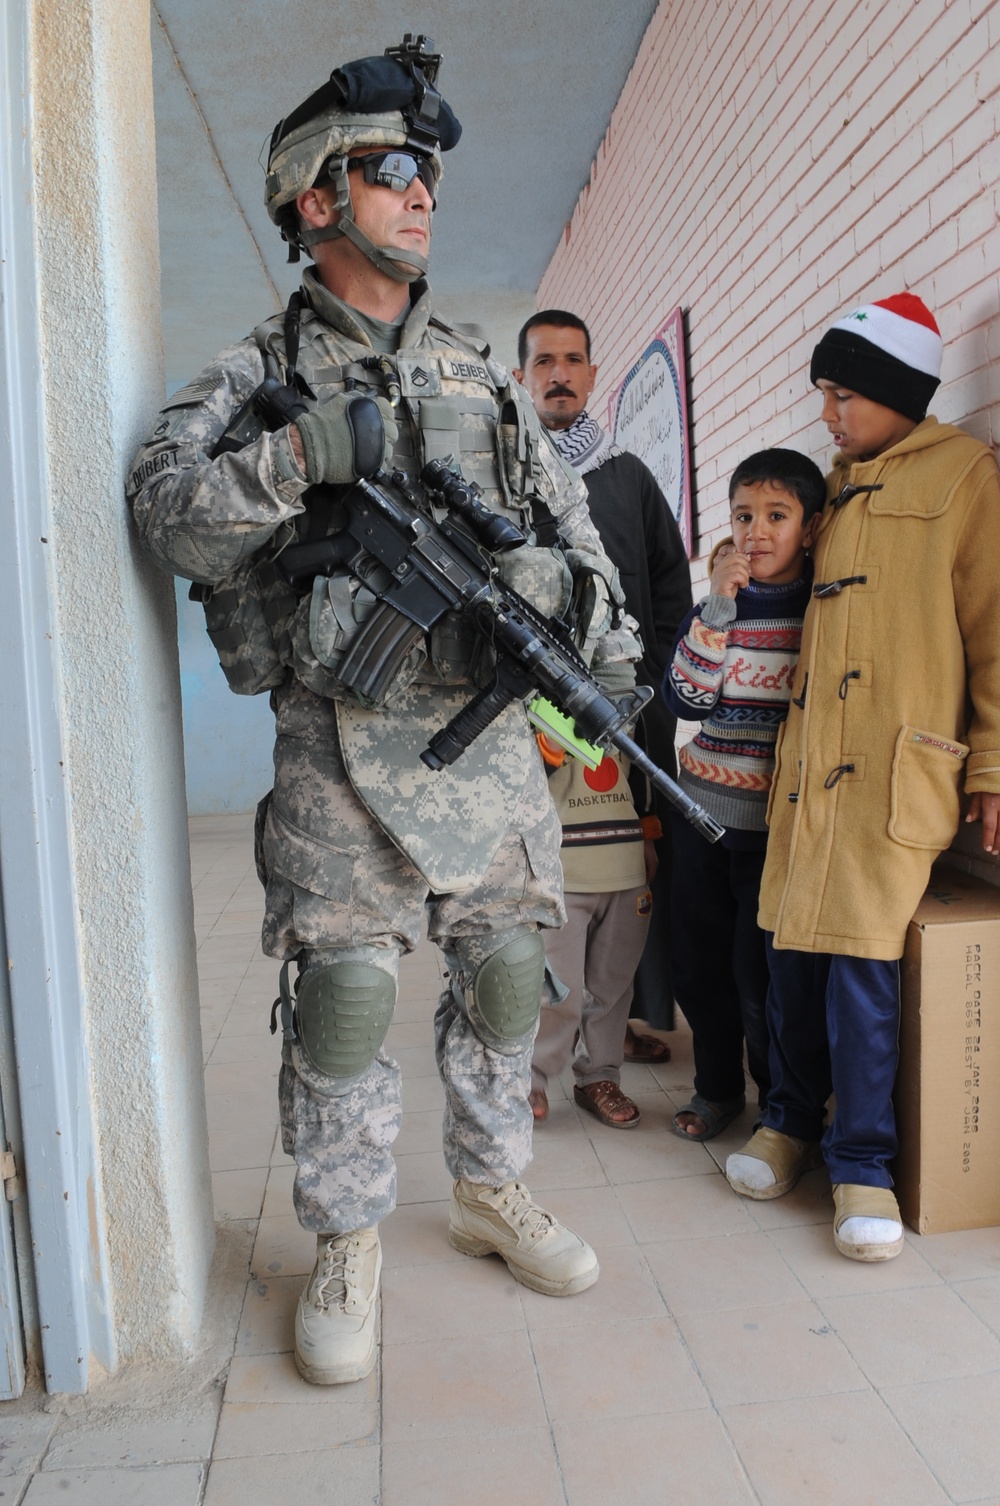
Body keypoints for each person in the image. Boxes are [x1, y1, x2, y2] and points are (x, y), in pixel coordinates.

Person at [128, 38, 642, 1385]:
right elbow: (165, 509)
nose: (425, 192)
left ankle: (489, 1189)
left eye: (431, 171)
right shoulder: (256, 368)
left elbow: (582, 549)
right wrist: (304, 455)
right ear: (315, 197)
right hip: (334, 746)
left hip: (479, 734)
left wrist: (569, 597)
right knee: (348, 992)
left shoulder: (485, 377)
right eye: (393, 167)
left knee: (507, 973)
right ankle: (347, 1235)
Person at [725, 293, 1000, 1262]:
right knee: (790, 963)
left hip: (892, 772)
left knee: (863, 978)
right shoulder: (830, 489)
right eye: (824, 396)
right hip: (805, 779)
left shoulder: (965, 474)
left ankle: (863, 1164)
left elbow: (992, 633)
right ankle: (787, 1123)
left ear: (894, 391)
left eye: (843, 394)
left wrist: (993, 765)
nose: (829, 414)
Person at [514, 310, 692, 1053]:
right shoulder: (508, 471)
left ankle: (624, 1027)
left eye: (574, 360)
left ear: (591, 373)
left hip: (631, 708)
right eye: (545, 361)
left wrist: (654, 682)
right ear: (524, 377)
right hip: (533, 712)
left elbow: (669, 585)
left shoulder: (627, 476)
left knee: (637, 865)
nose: (560, 373)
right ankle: (532, 1032)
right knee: (545, 866)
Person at [664, 450, 824, 1140]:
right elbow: (686, 699)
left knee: (758, 979)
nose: (757, 531)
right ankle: (717, 1090)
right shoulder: (718, 610)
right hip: (701, 815)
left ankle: (780, 1110)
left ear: (810, 529)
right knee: (699, 968)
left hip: (773, 827)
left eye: (776, 516)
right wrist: (719, 608)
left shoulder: (822, 609)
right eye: (744, 516)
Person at [528, 737, 654, 1128]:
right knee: (555, 988)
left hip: (625, 862)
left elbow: (648, 773)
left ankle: (600, 1076)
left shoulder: (628, 697)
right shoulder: (529, 696)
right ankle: (529, 1078)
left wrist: (648, 833)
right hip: (559, 870)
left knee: (612, 986)